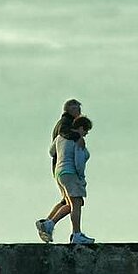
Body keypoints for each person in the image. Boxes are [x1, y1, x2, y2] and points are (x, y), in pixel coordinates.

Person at [36, 100, 85, 243]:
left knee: (67, 201)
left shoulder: (64, 125)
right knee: (74, 202)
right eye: (77, 109)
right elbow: (64, 134)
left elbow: (51, 150)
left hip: (59, 168)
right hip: (67, 169)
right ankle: (54, 226)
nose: (79, 112)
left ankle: (47, 223)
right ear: (70, 109)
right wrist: (78, 136)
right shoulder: (66, 123)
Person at [49, 115, 93, 245]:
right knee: (77, 204)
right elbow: (79, 161)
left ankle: (49, 223)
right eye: (85, 131)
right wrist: (81, 177)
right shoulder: (78, 140)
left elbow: (51, 152)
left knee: (69, 204)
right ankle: (77, 234)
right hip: (71, 173)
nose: (85, 134)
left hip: (59, 173)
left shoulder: (60, 137)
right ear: (80, 128)